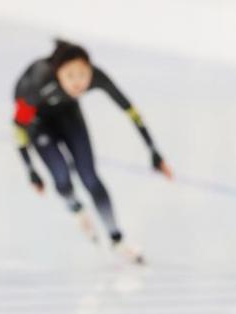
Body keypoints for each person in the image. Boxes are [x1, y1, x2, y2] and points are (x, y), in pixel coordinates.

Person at [13, 39, 173, 264]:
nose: (78, 82)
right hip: (38, 123)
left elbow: (130, 110)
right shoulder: (38, 81)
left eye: (83, 75)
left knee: (90, 177)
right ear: (57, 73)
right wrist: (29, 168)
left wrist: (153, 150)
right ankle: (76, 208)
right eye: (70, 76)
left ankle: (117, 239)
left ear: (90, 70)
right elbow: (18, 125)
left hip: (68, 114)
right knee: (62, 178)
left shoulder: (98, 77)